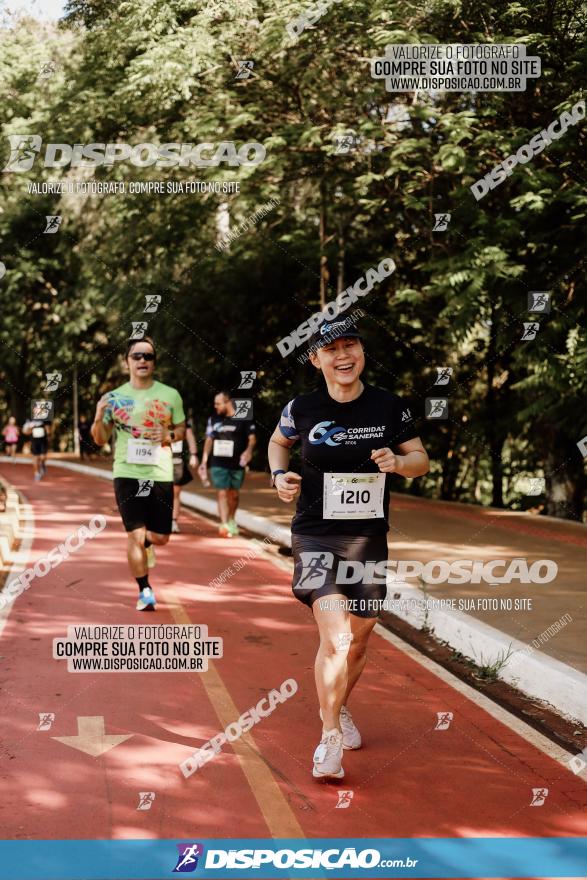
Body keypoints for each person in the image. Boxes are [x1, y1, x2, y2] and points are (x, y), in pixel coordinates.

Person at [268, 320, 429, 779]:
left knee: (358, 640)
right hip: (315, 533)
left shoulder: (387, 406)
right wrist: (280, 477)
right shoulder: (301, 408)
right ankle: (328, 737)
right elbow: (279, 445)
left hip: (367, 540)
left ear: (361, 351)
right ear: (315, 359)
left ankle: (339, 707)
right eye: (331, 348)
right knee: (336, 635)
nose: (342, 354)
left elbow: (421, 460)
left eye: (350, 344)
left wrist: (398, 463)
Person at [90, 336, 186, 611]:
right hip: (126, 471)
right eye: (137, 356)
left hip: (160, 472)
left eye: (148, 356)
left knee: (161, 537)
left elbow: (181, 429)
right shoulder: (114, 398)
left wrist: (169, 434)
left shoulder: (171, 395)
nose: (143, 360)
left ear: (154, 362)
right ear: (126, 362)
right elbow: (99, 439)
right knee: (133, 533)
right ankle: (145, 589)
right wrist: (99, 415)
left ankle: (146, 539)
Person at [199, 391, 256, 538]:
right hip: (218, 462)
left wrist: (249, 451)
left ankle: (231, 519)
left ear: (227, 402)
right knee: (222, 492)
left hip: (237, 463)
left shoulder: (243, 418)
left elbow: (252, 439)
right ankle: (224, 524)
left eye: (218, 403)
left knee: (234, 494)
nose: (215, 406)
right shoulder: (214, 419)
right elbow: (209, 440)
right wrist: (204, 461)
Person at [172, 420, 198, 532]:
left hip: (177, 461)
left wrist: (193, 455)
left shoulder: (182, 420)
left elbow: (190, 436)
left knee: (175, 492)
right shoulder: (157, 415)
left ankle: (173, 521)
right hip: (160, 461)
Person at [22, 413, 51, 480]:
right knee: (35, 458)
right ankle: (37, 473)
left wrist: (48, 434)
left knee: (43, 457)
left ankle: (42, 464)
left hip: (43, 441)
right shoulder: (29, 420)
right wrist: (30, 429)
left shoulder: (45, 419)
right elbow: (25, 431)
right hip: (34, 442)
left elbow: (48, 429)